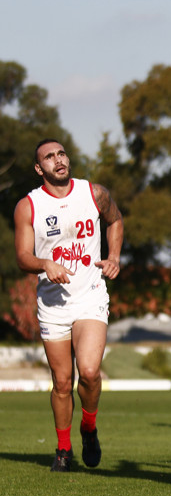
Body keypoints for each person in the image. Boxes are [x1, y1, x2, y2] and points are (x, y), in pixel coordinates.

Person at [13, 139, 123, 471]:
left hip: (90, 295)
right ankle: (63, 449)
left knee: (88, 373)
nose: (58, 160)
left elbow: (115, 221)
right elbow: (22, 257)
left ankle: (88, 427)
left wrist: (114, 256)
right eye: (49, 157)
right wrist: (45, 264)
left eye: (61, 154)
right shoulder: (28, 206)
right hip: (53, 304)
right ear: (38, 168)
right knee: (62, 382)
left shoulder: (94, 193)